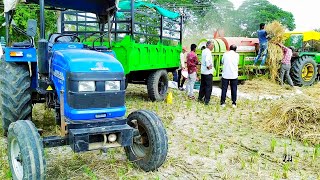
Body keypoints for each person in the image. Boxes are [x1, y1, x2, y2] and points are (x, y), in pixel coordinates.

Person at [198, 41, 214, 105]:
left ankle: (200, 97)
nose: (213, 47)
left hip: (203, 71)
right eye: (212, 45)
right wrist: (208, 66)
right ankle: (206, 100)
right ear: (209, 45)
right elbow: (207, 60)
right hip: (208, 72)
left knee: (203, 85)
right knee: (208, 87)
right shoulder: (208, 52)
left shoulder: (204, 51)